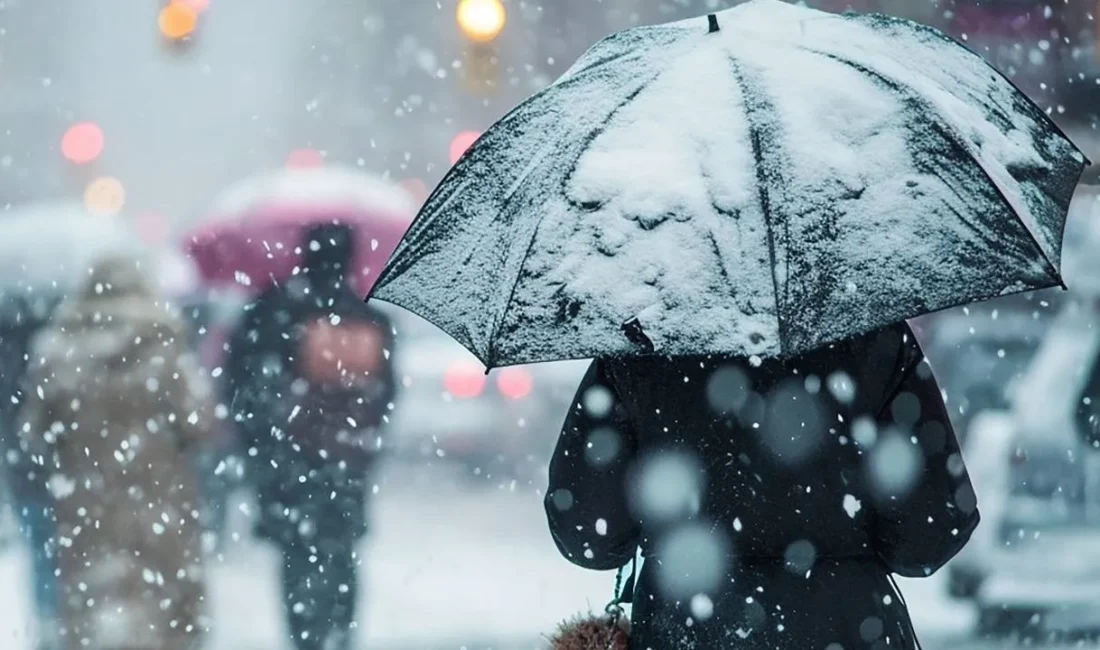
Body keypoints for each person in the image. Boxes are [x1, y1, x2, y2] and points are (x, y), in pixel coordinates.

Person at [545, 322, 980, 650]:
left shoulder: (642, 341)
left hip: (687, 628)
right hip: (849, 624)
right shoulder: (874, 335)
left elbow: (588, 532)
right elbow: (931, 532)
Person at [19, 254, 213, 650]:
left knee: (93, 611)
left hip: (86, 507)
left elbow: (32, 433)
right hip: (160, 506)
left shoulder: (57, 350)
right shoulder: (164, 346)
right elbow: (199, 422)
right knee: (165, 614)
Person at [226, 222, 396, 650]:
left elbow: (241, 387)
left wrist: (261, 447)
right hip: (347, 463)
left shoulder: (275, 309)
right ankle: (341, 637)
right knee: (341, 561)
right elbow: (387, 395)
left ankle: (306, 640)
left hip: (290, 469)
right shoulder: (368, 314)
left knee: (297, 563)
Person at [0, 292, 59, 647]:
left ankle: (49, 624)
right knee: (60, 550)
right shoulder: (57, 346)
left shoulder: (6, 343)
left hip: (22, 466)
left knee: (41, 549)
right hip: (64, 468)